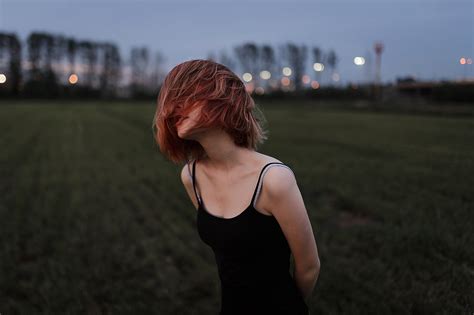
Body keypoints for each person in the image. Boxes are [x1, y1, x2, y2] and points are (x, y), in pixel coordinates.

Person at [152, 59, 320, 315]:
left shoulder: (274, 179)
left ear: (221, 99)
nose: (173, 109)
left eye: (186, 97)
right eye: (171, 100)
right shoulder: (191, 176)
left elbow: (309, 267)